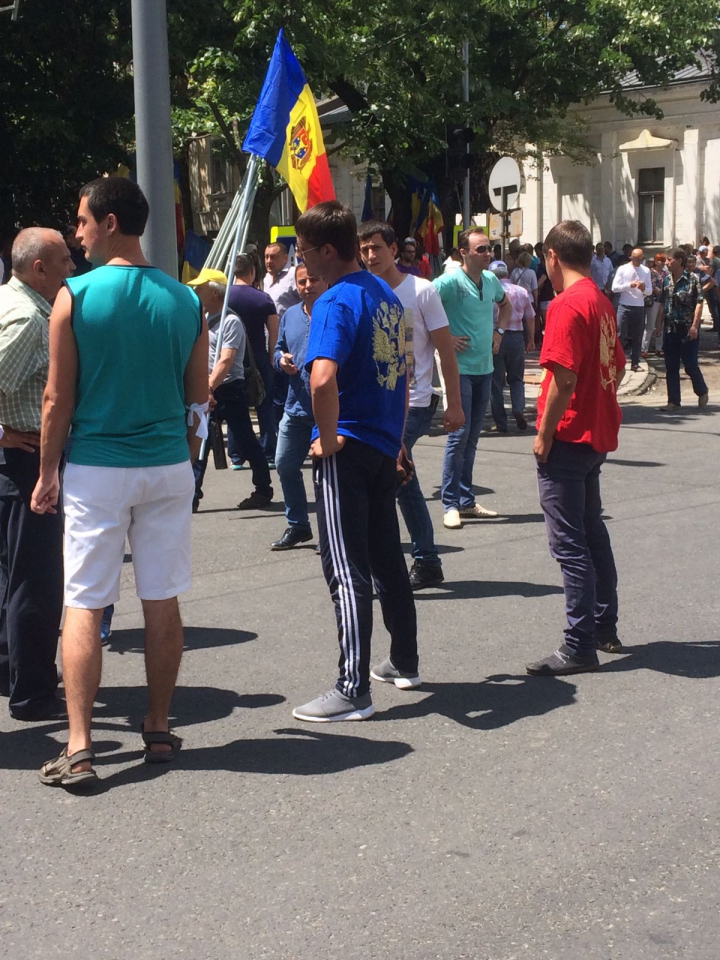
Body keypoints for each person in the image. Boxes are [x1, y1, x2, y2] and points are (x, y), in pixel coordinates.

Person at [30, 177, 208, 789]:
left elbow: (57, 398)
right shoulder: (184, 299)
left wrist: (48, 470)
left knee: (83, 599)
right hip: (165, 464)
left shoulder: (74, 295)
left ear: (108, 222)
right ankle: (157, 725)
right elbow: (198, 396)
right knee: (163, 597)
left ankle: (79, 746)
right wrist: (187, 455)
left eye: (81, 221)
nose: (77, 233)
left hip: (97, 466)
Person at [291, 200, 419, 722]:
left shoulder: (335, 300)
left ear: (325, 251)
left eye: (303, 251)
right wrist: (398, 441)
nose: (301, 260)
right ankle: (404, 662)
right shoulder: (385, 293)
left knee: (345, 567)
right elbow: (401, 370)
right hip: (382, 442)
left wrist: (327, 439)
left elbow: (322, 377)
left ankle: (352, 688)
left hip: (349, 444)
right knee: (387, 556)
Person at [527, 220, 625, 677]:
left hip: (568, 437)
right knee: (592, 532)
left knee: (570, 544)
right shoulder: (602, 302)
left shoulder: (567, 305)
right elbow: (616, 366)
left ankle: (579, 643)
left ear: (551, 257)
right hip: (596, 433)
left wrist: (545, 433)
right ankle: (604, 625)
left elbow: (564, 377)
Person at [358, 219, 464, 589]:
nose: (371, 255)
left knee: (393, 475)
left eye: (377, 248)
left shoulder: (421, 291)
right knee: (402, 479)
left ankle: (418, 560)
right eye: (365, 249)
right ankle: (425, 560)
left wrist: (454, 404)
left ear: (393, 250)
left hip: (416, 402)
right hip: (377, 403)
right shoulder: (362, 291)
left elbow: (446, 351)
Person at [0, 228, 74, 720]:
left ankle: (13, 673)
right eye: (64, 259)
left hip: (20, 459)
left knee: (12, 574)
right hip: (28, 461)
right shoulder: (29, 318)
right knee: (37, 581)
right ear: (39, 268)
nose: (73, 267)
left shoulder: (11, 300)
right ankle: (33, 692)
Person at [433, 229, 512, 529]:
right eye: (481, 249)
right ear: (463, 252)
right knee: (458, 436)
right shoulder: (449, 282)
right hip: (459, 370)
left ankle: (466, 501)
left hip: (485, 367)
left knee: (473, 437)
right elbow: (422, 307)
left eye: (489, 248)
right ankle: (450, 504)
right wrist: (445, 337)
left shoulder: (491, 281)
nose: (487, 253)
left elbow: (506, 306)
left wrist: (499, 332)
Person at [186, 268, 273, 512]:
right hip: (208, 388)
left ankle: (263, 488)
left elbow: (226, 360)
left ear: (214, 292)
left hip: (229, 389)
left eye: (199, 288)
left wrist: (209, 387)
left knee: (245, 439)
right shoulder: (204, 319)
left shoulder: (230, 321)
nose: (195, 291)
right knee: (201, 438)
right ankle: (192, 494)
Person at [270, 262, 327, 550]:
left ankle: (329, 532)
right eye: (302, 282)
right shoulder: (290, 315)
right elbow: (277, 349)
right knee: (285, 465)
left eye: (313, 280)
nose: (307, 286)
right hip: (295, 409)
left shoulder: (334, 313)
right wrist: (281, 360)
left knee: (326, 477)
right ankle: (298, 525)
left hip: (327, 411)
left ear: (324, 281)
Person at [227, 254, 279, 463]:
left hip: (230, 357)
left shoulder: (224, 297)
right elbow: (273, 332)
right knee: (265, 405)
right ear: (252, 272)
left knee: (234, 406)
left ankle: (237, 455)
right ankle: (268, 453)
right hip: (257, 356)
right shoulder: (263, 299)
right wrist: (271, 356)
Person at [654, 248, 708, 412]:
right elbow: (663, 304)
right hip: (671, 329)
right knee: (671, 366)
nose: (667, 262)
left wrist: (694, 326)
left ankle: (701, 390)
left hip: (687, 329)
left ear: (679, 261)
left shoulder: (693, 280)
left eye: (670, 259)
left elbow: (699, 303)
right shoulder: (666, 280)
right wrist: (658, 325)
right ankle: (674, 402)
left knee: (690, 365)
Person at [488, 260, 535, 433]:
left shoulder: (491, 290)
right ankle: (518, 409)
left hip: (496, 337)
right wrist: (530, 339)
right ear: (507, 273)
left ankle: (501, 422)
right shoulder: (521, 291)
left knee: (496, 381)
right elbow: (530, 317)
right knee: (517, 378)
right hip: (517, 338)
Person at [612, 247, 651, 372]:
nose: (638, 261)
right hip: (625, 305)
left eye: (640, 259)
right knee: (620, 335)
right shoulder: (623, 269)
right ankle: (617, 362)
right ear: (631, 257)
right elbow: (614, 288)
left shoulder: (646, 270)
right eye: (635, 259)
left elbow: (649, 291)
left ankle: (635, 363)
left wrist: (643, 288)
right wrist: (630, 285)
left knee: (637, 336)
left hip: (639, 306)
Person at [641, 253, 666, 358]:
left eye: (663, 260)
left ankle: (659, 348)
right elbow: (651, 285)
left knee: (661, 325)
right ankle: (644, 348)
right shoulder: (651, 272)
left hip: (663, 301)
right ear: (656, 261)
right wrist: (659, 291)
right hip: (653, 301)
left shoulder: (665, 273)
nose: (662, 262)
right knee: (650, 325)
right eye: (660, 260)